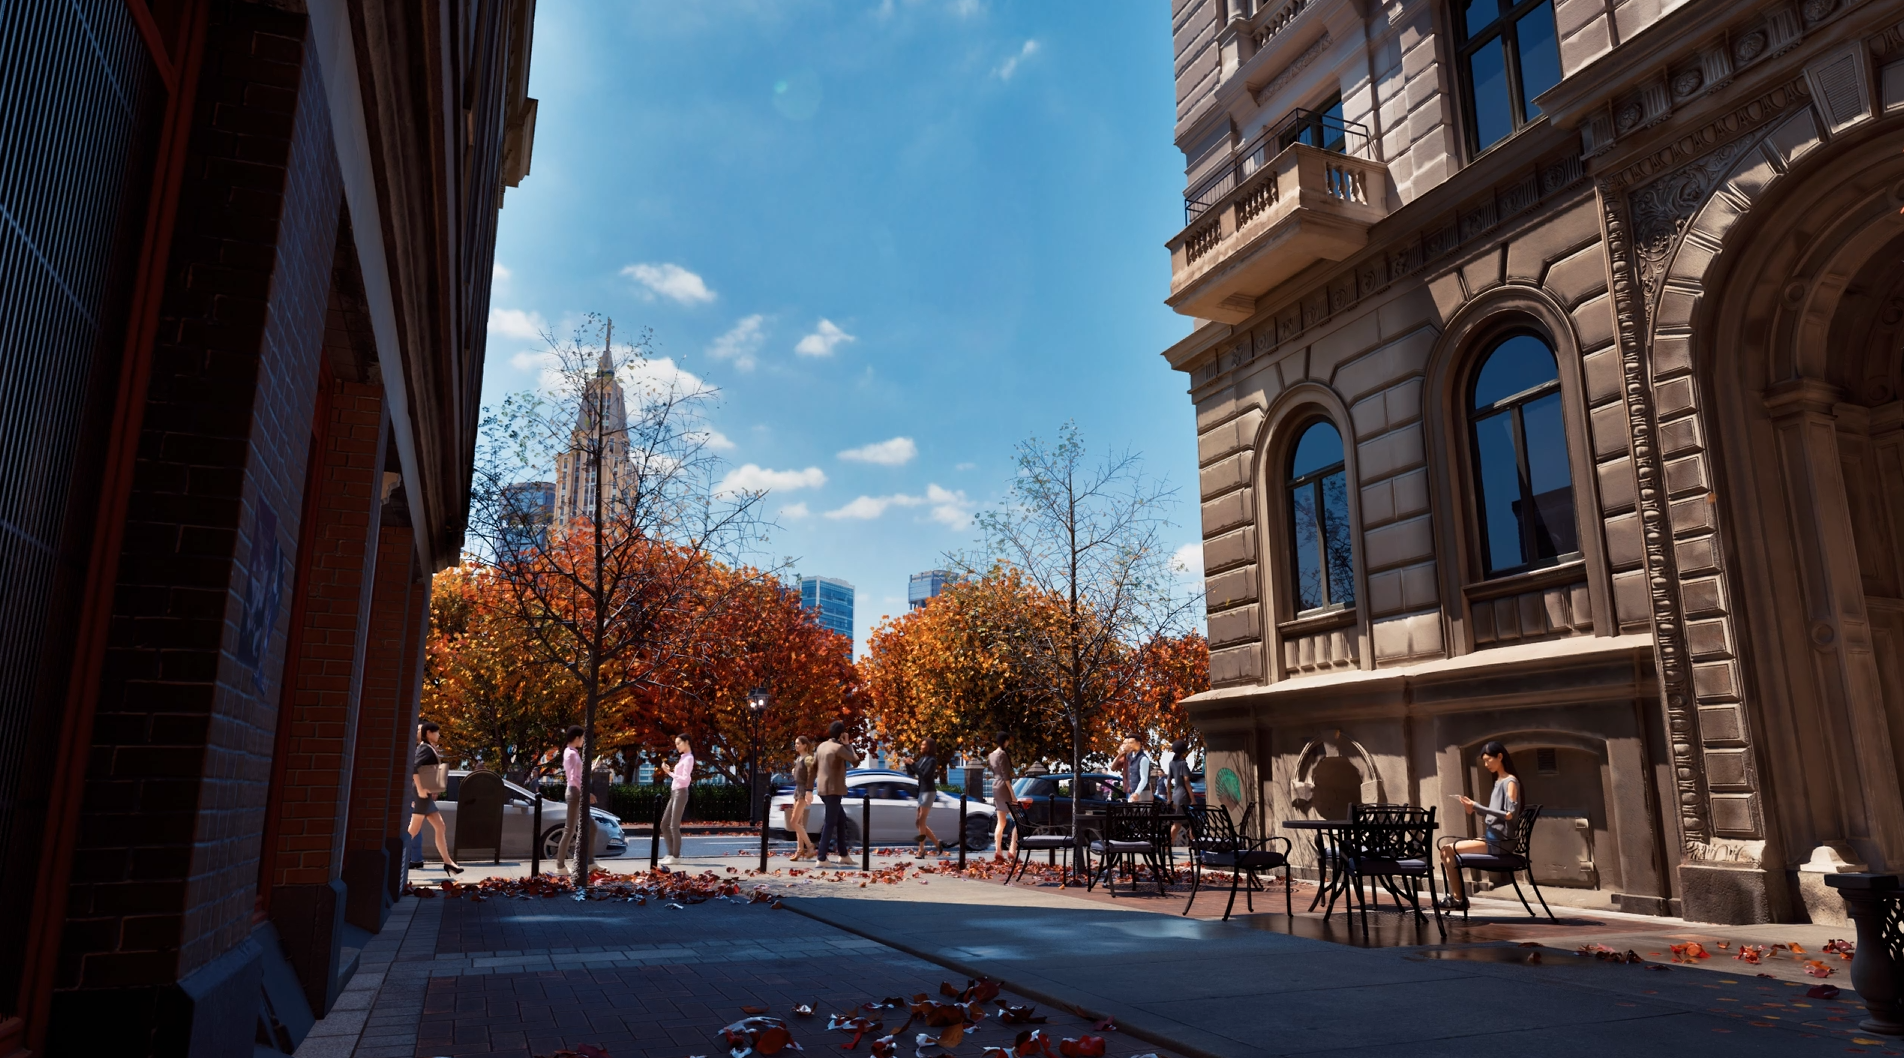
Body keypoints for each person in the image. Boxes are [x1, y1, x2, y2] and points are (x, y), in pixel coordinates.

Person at [1438, 740, 1522, 910]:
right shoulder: (1499, 781)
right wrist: (1473, 808)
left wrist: (1477, 807)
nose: (1485, 764)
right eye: (1483, 761)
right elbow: (1494, 813)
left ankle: (1458, 899)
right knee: (1445, 851)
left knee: (1447, 850)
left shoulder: (1510, 782)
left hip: (1500, 843)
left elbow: (1509, 814)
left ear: (1500, 757)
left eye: (1488, 760)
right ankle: (1458, 897)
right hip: (1493, 838)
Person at [407, 722, 463, 874]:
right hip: (422, 793)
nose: (438, 735)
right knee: (413, 830)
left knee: (440, 826)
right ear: (429, 733)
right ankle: (398, 856)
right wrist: (420, 789)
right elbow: (414, 767)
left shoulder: (429, 748)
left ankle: (448, 862)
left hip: (424, 792)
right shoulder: (425, 748)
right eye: (436, 732)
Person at [814, 720, 860, 865]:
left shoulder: (821, 746)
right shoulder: (838, 748)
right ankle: (821, 857)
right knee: (830, 822)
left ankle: (843, 854)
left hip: (822, 789)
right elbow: (855, 761)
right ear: (841, 734)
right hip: (833, 790)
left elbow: (814, 765)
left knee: (841, 820)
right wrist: (848, 744)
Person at [554, 726, 587, 882]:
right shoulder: (572, 754)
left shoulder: (570, 752)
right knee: (569, 829)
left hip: (573, 791)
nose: (583, 741)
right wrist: (586, 792)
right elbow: (574, 777)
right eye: (582, 738)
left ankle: (589, 862)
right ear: (576, 738)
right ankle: (560, 865)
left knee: (587, 825)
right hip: (575, 791)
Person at [907, 737, 946, 859]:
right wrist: (908, 764)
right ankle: (937, 843)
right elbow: (912, 773)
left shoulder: (932, 761)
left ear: (929, 747)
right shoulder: (923, 759)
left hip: (928, 791)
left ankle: (921, 849)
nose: (921, 746)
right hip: (922, 791)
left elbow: (924, 776)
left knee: (922, 821)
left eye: (923, 745)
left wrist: (913, 764)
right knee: (918, 822)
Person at [658, 733, 693, 865]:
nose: (677, 746)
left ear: (687, 742)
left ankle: (676, 857)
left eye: (679, 743)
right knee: (664, 824)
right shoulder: (683, 758)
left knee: (674, 826)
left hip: (681, 792)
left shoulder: (689, 758)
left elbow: (685, 779)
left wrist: (669, 773)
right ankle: (671, 853)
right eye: (676, 744)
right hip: (674, 792)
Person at [784, 735, 818, 861]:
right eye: (795, 743)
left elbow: (812, 774)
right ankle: (799, 850)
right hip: (797, 790)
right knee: (799, 823)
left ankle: (810, 846)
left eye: (798, 743)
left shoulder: (808, 758)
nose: (796, 745)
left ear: (805, 745)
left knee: (793, 822)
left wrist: (809, 791)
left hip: (804, 791)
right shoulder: (799, 759)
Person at [988, 731, 1017, 862]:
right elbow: (1006, 776)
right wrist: (1013, 795)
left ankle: (998, 850)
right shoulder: (1003, 754)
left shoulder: (991, 755)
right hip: (1003, 787)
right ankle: (1012, 850)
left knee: (1001, 822)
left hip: (995, 786)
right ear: (1004, 741)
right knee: (1018, 821)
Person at [1165, 738, 1192, 848]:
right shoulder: (1183, 764)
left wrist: (1169, 798)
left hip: (1175, 794)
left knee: (1178, 822)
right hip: (1183, 795)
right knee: (1182, 822)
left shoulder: (1172, 763)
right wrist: (1193, 799)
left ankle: (1168, 845)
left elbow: (1168, 782)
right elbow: (1186, 781)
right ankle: (1167, 845)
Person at [1126, 736, 1156, 804]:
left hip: (1143, 792)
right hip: (1134, 792)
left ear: (1138, 743)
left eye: (1131, 743)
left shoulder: (1143, 759)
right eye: (1128, 743)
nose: (1129, 745)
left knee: (1142, 813)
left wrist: (1137, 793)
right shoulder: (1130, 757)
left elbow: (1144, 778)